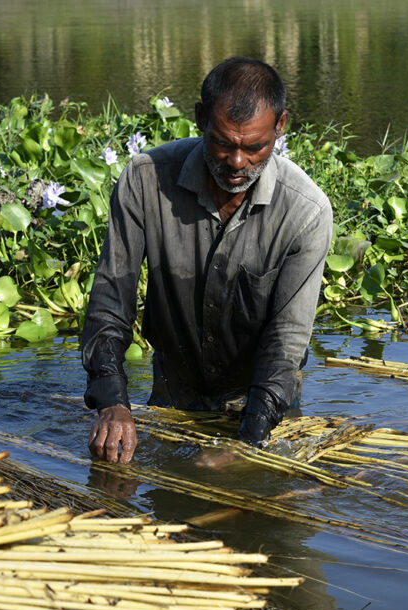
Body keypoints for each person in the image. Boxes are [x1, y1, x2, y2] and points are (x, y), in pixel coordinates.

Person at [82, 57, 333, 464]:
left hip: (262, 407)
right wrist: (112, 401)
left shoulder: (306, 212)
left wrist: (247, 445)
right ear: (200, 118)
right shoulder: (146, 180)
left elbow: (286, 345)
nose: (237, 162)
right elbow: (111, 301)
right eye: (223, 143)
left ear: (281, 126)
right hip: (174, 400)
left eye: (255, 147)